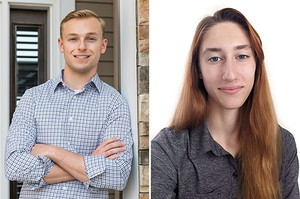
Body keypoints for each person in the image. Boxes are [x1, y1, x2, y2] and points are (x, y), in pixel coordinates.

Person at [151, 8, 299, 199]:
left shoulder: (282, 145)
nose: (229, 74)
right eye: (215, 58)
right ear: (198, 70)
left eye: (242, 56)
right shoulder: (167, 150)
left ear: (257, 65)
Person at [5, 9, 133, 199]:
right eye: (73, 39)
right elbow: (14, 166)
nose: (81, 46)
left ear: (103, 45)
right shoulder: (33, 98)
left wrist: (51, 151)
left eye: (90, 39)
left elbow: (118, 175)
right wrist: (90, 162)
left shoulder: (114, 103)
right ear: (61, 44)